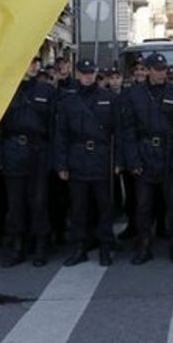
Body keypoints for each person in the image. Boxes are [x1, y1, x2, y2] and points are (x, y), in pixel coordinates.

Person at [120, 53, 173, 264]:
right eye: (157, 69)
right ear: (148, 70)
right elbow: (128, 131)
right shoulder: (134, 94)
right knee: (143, 206)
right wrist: (133, 161)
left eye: (163, 69)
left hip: (169, 154)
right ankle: (144, 245)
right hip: (145, 154)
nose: (161, 73)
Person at [0, 57, 57, 267]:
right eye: (29, 62)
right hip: (13, 152)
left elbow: (54, 127)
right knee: (15, 203)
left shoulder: (46, 91)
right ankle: (17, 246)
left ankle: (40, 245)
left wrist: (53, 158)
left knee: (38, 202)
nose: (34, 66)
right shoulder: (5, 91)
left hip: (38, 152)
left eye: (35, 62)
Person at [54, 59, 119, 266]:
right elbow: (61, 135)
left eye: (91, 72)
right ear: (77, 74)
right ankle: (79, 248)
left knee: (104, 207)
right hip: (78, 158)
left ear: (96, 73)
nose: (88, 76)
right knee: (78, 208)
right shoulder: (68, 101)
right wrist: (62, 164)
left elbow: (119, 133)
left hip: (101, 158)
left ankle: (105, 247)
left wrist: (118, 161)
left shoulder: (109, 98)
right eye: (84, 73)